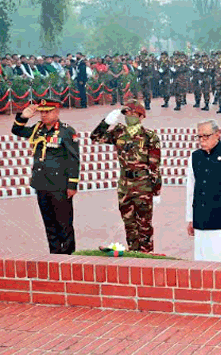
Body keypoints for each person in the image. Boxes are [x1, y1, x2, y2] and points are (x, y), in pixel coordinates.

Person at [11, 97, 80, 254]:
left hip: (59, 185)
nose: (43, 115)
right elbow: (17, 130)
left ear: (56, 111)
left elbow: (73, 159)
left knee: (64, 224)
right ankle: (55, 256)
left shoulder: (66, 131)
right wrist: (23, 117)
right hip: (41, 183)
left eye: (47, 112)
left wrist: (72, 185)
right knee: (49, 224)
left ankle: (69, 257)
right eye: (41, 112)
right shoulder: (38, 128)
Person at [91, 100, 162, 252]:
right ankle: (134, 256)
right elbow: (95, 137)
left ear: (140, 115)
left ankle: (147, 258)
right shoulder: (118, 132)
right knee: (129, 224)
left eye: (131, 112)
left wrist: (156, 191)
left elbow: (155, 166)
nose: (127, 115)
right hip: (125, 185)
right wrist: (106, 122)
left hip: (143, 185)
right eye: (125, 113)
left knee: (144, 226)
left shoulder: (149, 136)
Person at [185, 119, 221, 263]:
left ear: (218, 134)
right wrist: (190, 218)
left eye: (206, 136)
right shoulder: (195, 157)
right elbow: (191, 189)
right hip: (201, 219)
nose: (202, 140)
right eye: (199, 136)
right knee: (201, 262)